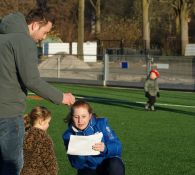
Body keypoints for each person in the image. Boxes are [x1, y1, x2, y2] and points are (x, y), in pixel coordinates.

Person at [0, 8, 75, 175]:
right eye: (45, 32)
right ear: (34, 25)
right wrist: (62, 97)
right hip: (8, 115)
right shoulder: (23, 41)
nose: (44, 37)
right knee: (11, 166)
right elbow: (31, 80)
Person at [63, 100, 125, 175]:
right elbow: (76, 164)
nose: (80, 120)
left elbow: (118, 147)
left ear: (90, 116)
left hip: (107, 164)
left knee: (115, 165)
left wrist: (105, 148)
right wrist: (80, 155)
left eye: (83, 116)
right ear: (72, 117)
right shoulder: (69, 135)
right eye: (76, 117)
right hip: (88, 168)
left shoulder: (101, 125)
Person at [20, 106, 58, 175]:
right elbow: (50, 160)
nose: (48, 125)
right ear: (41, 121)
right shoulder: (44, 138)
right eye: (47, 122)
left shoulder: (23, 134)